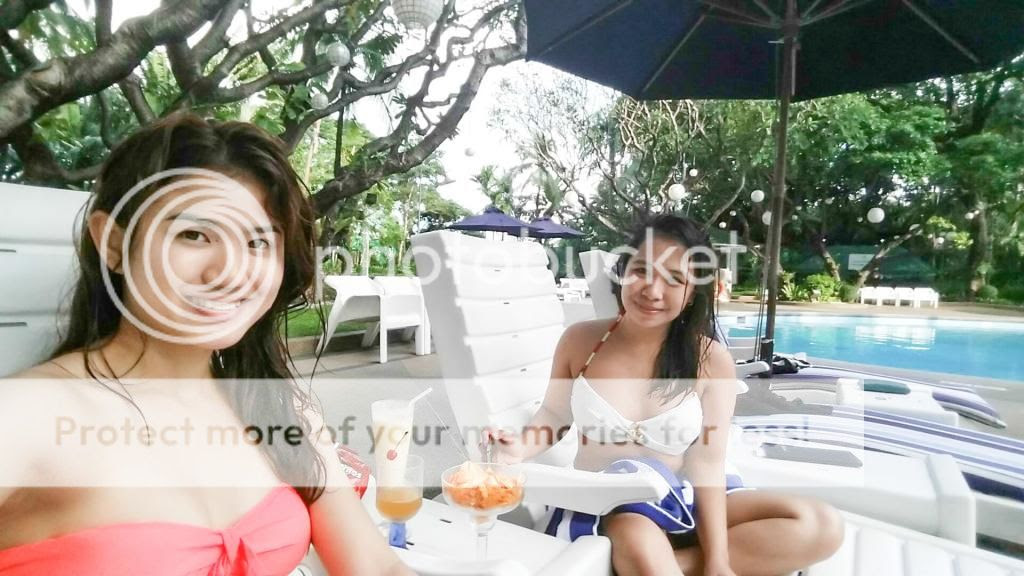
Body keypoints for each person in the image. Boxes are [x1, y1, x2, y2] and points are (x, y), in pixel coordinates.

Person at [0, 114, 411, 575]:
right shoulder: (27, 414)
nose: (230, 272)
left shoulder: (279, 409)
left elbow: (374, 566)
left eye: (258, 243)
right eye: (194, 235)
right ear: (113, 244)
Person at [487, 215, 844, 576]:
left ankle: (664, 567)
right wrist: (517, 448)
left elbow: (707, 462)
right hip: (610, 502)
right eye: (642, 270)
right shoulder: (581, 341)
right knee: (639, 536)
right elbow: (554, 414)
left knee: (820, 524)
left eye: (675, 279)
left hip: (683, 495)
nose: (653, 291)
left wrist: (718, 561)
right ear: (623, 272)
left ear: (692, 294)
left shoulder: (710, 360)